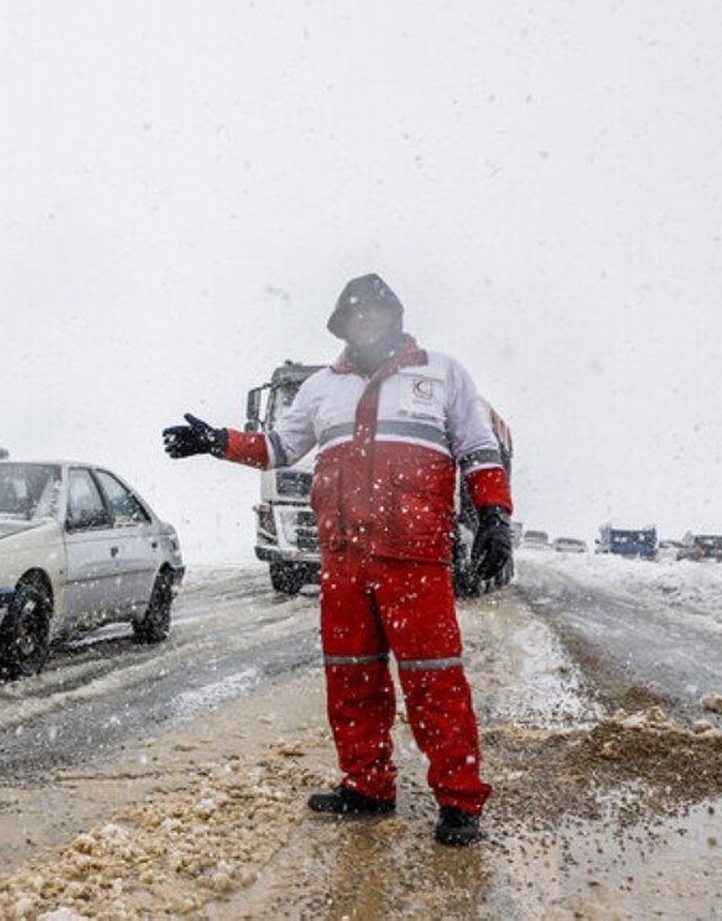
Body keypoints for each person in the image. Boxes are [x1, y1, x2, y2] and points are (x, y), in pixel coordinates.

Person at [162, 273, 513, 846]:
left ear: (395, 316)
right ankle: (367, 787)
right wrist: (216, 442)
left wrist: (495, 515)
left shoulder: (443, 373)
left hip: (415, 559)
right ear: (342, 324)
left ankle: (459, 801)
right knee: (351, 678)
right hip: (345, 558)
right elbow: (279, 447)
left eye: (374, 311)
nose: (364, 321)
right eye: (354, 314)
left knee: (434, 681)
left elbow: (478, 448)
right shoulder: (321, 387)